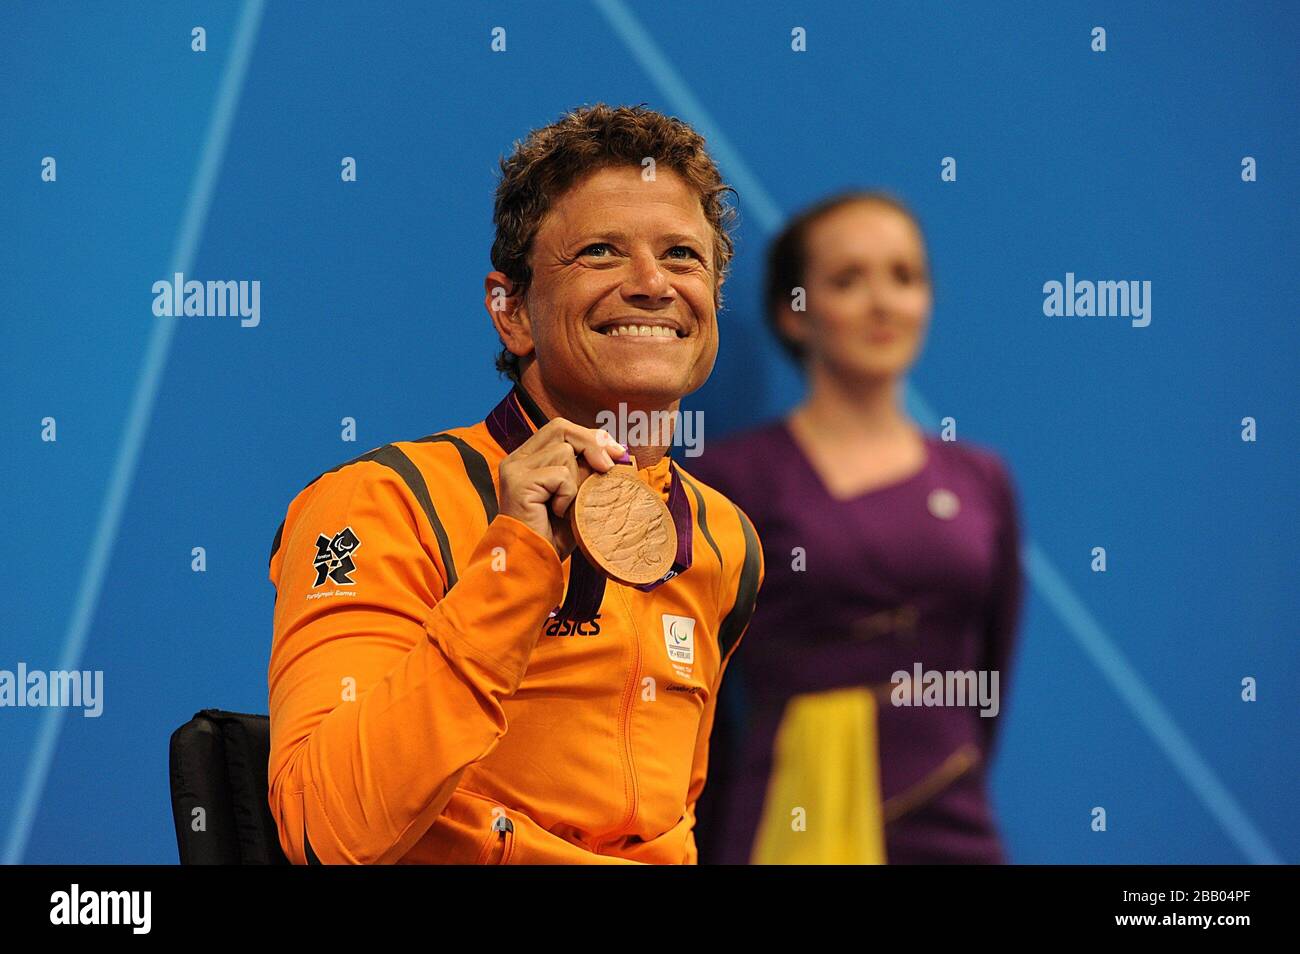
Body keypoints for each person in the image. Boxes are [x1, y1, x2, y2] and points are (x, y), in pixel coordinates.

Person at [265, 104, 764, 864]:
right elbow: (322, 828)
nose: (652, 284)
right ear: (512, 311)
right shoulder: (383, 503)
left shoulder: (727, 540)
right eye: (601, 251)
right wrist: (517, 559)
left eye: (683, 257)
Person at [690, 191, 1023, 864]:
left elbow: (993, 668)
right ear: (793, 312)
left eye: (905, 277)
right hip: (787, 816)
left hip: (952, 820)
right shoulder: (728, 481)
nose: (883, 303)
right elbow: (691, 698)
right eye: (847, 280)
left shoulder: (980, 480)